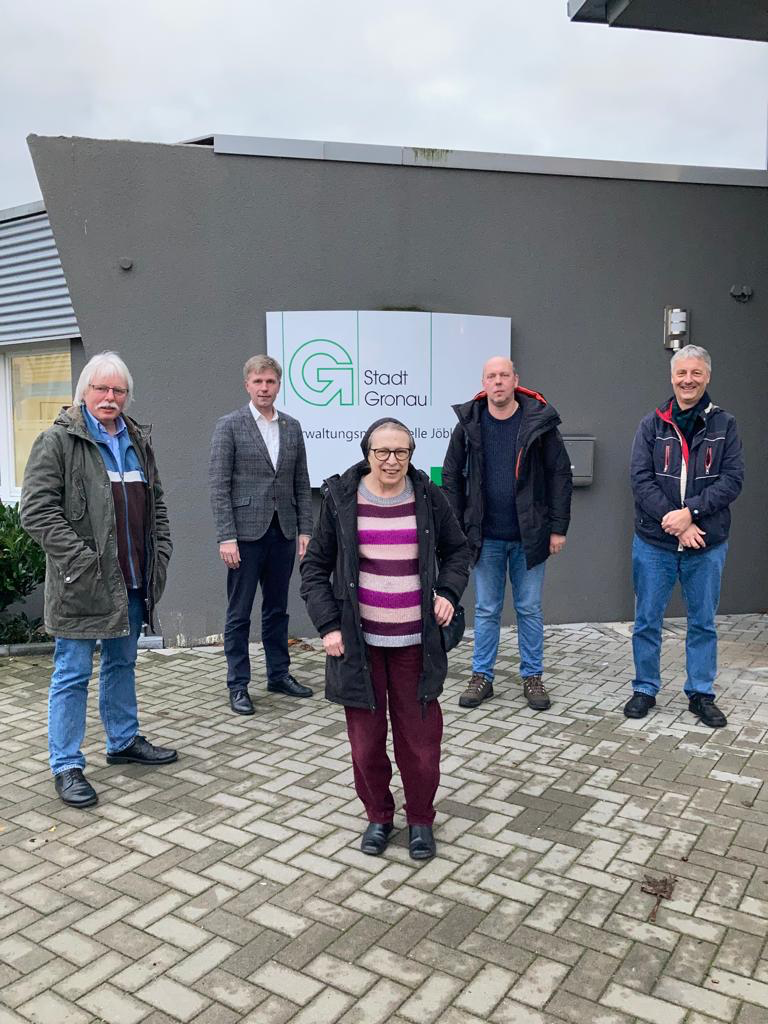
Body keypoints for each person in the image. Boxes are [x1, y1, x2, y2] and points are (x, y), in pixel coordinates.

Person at [300, 418, 468, 861]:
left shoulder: (430, 498)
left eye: (401, 452)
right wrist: (328, 626)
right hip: (359, 646)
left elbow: (458, 551)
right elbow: (315, 568)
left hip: (417, 644)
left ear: (411, 454)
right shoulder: (340, 499)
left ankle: (420, 820)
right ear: (367, 453)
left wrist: (448, 592)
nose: (392, 461)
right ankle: (378, 815)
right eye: (382, 452)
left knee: (420, 742)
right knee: (366, 742)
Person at [20, 351, 176, 809]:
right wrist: (82, 562)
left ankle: (123, 742)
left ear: (127, 396)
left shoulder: (138, 440)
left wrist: (159, 554)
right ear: (84, 392)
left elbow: (158, 506)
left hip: (132, 581)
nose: (110, 397)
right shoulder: (58, 441)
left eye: (118, 390)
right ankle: (66, 764)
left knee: (121, 664)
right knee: (72, 673)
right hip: (82, 584)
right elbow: (37, 512)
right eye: (102, 389)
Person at [442, 356, 572, 711]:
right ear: (483, 382)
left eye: (503, 375)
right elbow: (451, 475)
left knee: (529, 609)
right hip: (485, 537)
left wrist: (558, 528)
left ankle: (532, 677)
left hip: (530, 536)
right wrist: (457, 524)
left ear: (516, 379)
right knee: (486, 610)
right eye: (491, 376)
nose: (497, 381)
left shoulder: (539, 422)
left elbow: (560, 476)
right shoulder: (469, 423)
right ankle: (482, 677)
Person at [625, 345, 743, 728]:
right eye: (681, 373)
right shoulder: (652, 424)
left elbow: (732, 480)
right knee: (646, 620)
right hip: (654, 543)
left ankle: (701, 694)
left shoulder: (725, 424)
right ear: (672, 377)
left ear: (707, 376)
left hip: (706, 544)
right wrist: (673, 519)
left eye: (695, 373)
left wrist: (690, 513)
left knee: (703, 622)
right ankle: (644, 688)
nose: (687, 380)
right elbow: (640, 480)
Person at [209, 355, 313, 715]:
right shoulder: (230, 426)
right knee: (239, 613)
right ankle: (238, 685)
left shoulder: (292, 426)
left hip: (282, 531)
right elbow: (219, 485)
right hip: (244, 535)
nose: (264, 388)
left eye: (270, 382)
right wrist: (226, 536)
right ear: (247, 385)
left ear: (278, 384)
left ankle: (278, 674)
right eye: (258, 382)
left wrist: (305, 530)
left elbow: (301, 481)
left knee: (277, 609)